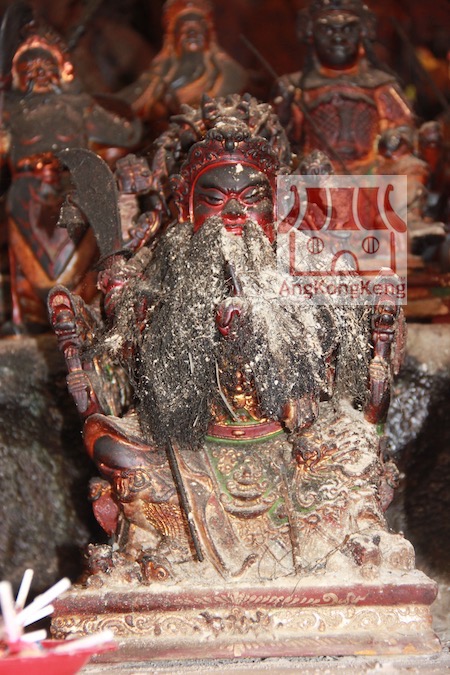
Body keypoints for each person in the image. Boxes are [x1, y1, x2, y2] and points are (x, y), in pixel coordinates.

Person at [49, 95, 413, 589]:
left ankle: (340, 542)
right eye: (216, 200)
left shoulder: (308, 264)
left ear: (276, 205)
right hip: (192, 443)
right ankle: (159, 546)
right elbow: (129, 367)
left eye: (252, 198)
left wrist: (280, 344)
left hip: (290, 443)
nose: (235, 212)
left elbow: (342, 368)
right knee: (108, 442)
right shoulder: (163, 271)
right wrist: (115, 311)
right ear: (188, 207)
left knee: (355, 447)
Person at [0, 18, 142, 332]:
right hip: (28, 191)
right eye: (29, 69)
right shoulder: (10, 112)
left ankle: (87, 305)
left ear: (60, 71)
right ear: (18, 76)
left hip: (73, 187)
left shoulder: (80, 106)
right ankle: (26, 314)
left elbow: (127, 134)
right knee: (18, 210)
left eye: (45, 67)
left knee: (86, 218)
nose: (38, 73)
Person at [273, 0, 414, 173]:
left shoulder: (380, 85)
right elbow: (281, 141)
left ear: (363, 32)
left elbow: (402, 125)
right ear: (310, 33)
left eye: (348, 30)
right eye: (327, 30)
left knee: (411, 172)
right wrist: (284, 112)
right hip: (315, 174)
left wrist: (396, 137)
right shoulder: (295, 87)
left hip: (371, 172)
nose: (338, 38)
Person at [119, 0, 248, 139]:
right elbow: (127, 104)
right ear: (173, 37)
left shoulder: (230, 74)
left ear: (209, 34)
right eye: (184, 29)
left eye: (198, 29)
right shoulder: (157, 78)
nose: (192, 34)